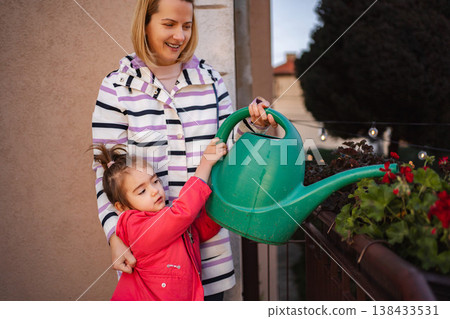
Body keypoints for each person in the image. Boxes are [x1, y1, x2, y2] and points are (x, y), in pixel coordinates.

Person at [92, 0, 278, 300]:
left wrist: (254, 124)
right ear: (145, 24)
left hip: (208, 257)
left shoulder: (210, 80)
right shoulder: (116, 87)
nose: (180, 36)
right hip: (150, 268)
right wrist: (115, 236)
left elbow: (229, 149)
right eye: (169, 24)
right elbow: (106, 172)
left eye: (187, 26)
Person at [91, 139, 226, 300]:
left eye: (155, 181)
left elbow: (197, 230)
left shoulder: (164, 219)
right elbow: (184, 213)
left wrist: (221, 207)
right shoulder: (136, 227)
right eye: (142, 191)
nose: (155, 191)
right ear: (121, 208)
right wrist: (205, 166)